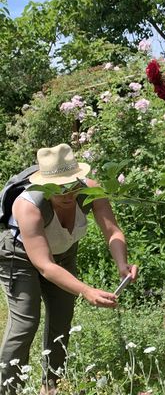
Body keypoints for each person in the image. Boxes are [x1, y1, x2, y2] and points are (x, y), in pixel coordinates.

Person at [0, 144, 138, 394]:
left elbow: (113, 231)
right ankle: (9, 388)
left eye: (70, 184)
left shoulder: (91, 191)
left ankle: (51, 386)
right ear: (44, 184)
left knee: (62, 318)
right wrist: (86, 290)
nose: (66, 191)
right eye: (58, 186)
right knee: (25, 323)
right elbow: (44, 265)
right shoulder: (27, 205)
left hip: (63, 254)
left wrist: (122, 264)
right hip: (18, 257)